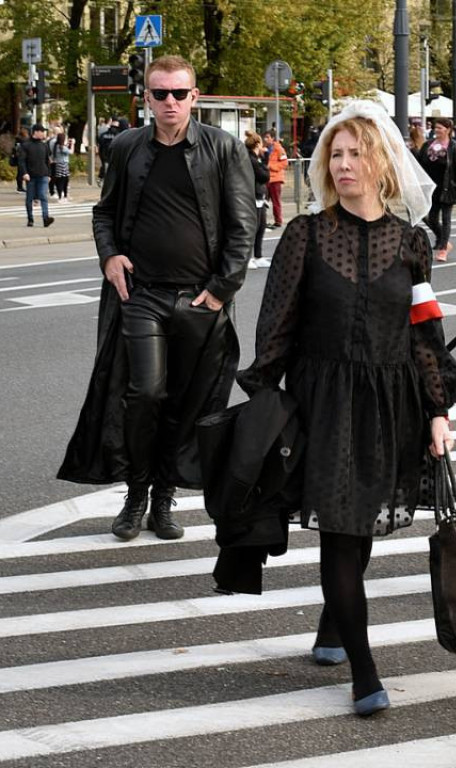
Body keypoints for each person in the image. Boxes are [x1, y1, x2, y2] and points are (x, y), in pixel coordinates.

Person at [237, 100, 456, 717]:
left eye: (356, 153)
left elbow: (423, 333)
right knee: (338, 533)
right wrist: (262, 402)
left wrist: (438, 408)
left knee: (359, 531)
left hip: (392, 405)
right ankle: (364, 672)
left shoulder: (412, 242)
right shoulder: (305, 235)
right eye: (335, 153)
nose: (343, 164)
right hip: (322, 402)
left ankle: (332, 626)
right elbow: (275, 327)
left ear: (383, 162)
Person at [58, 55, 257, 540]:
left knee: (185, 403)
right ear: (145, 98)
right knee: (143, 394)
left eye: (179, 93)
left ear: (194, 97)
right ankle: (136, 492)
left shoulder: (222, 148)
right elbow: (104, 213)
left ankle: (164, 498)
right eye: (160, 93)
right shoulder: (127, 146)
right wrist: (109, 256)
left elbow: (243, 225)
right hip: (141, 296)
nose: (170, 102)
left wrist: (218, 291)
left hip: (199, 301)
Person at [416, 117, 456, 262]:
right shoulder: (427, 145)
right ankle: (444, 240)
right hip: (431, 188)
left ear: (448, 130)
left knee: (446, 219)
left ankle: (443, 249)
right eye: (436, 127)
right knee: (431, 218)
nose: (437, 130)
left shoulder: (455, 147)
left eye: (440, 128)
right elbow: (419, 164)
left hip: (448, 187)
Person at [18, 124, 54, 228]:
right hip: (31, 175)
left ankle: (45, 218)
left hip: (43, 175)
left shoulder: (44, 146)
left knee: (43, 196)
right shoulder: (25, 145)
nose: (43, 133)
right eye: (42, 131)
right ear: (36, 132)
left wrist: (49, 174)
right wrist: (24, 173)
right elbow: (21, 161)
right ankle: (30, 219)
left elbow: (47, 161)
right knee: (29, 198)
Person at [245, 131, 272, 269]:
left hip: (259, 196)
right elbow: (264, 176)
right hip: (252, 196)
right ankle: (248, 258)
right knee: (253, 228)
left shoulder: (256, 158)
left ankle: (258, 256)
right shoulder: (251, 159)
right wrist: (265, 158)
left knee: (261, 227)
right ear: (257, 144)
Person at [263, 129, 288, 228]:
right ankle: (262, 221)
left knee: (275, 201)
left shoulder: (278, 148)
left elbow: (284, 163)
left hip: (275, 179)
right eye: (265, 137)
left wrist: (271, 166)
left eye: (267, 137)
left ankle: (278, 221)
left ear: (272, 138)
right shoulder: (264, 148)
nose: (265, 139)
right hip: (266, 178)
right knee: (263, 201)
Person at [51, 134, 74, 202]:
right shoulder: (62, 148)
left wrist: (67, 144)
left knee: (59, 181)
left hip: (58, 164)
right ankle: (64, 196)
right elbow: (71, 152)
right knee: (65, 180)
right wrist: (73, 144)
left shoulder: (56, 146)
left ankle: (60, 196)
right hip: (64, 164)